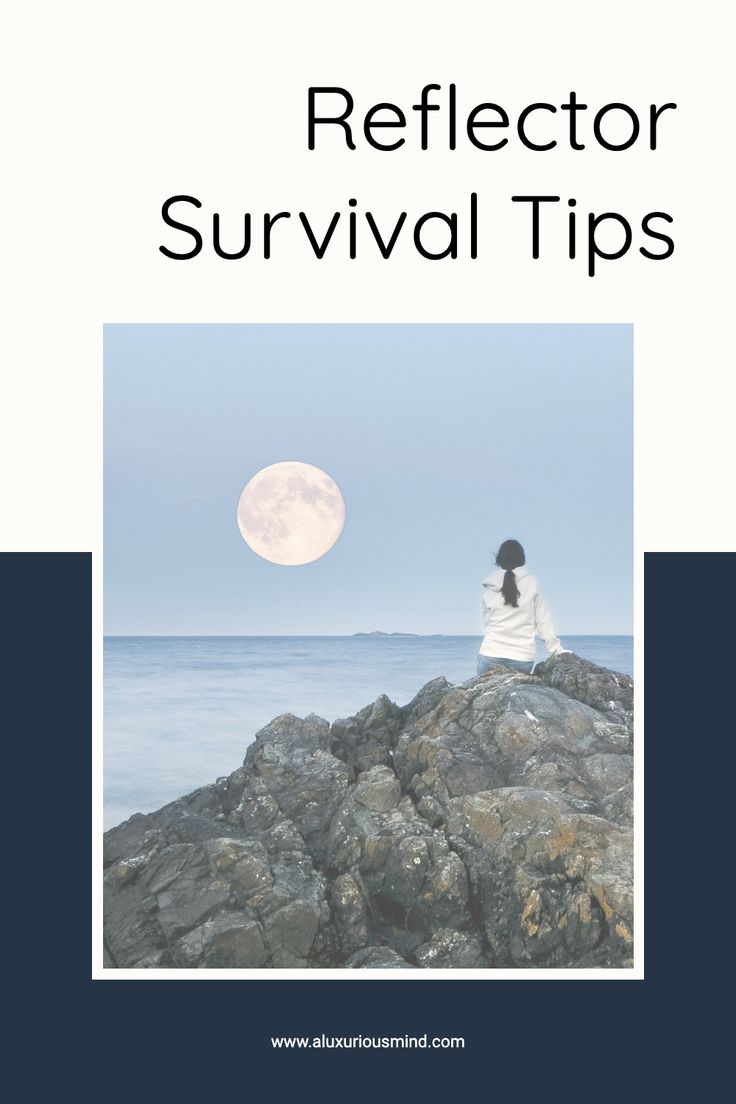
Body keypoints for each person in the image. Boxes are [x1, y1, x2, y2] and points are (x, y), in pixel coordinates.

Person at [477, 539, 568, 676]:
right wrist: (557, 650)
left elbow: (488, 622)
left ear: (499, 559)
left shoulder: (490, 585)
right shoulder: (532, 582)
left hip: (489, 657)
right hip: (521, 660)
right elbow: (544, 622)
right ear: (521, 558)